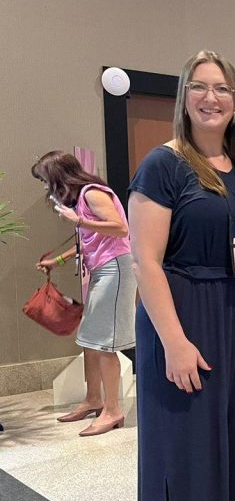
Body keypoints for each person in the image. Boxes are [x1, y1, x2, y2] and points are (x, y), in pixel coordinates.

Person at [128, 50, 235, 501]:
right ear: (184, 97)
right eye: (199, 86)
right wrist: (174, 342)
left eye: (222, 89)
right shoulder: (163, 165)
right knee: (187, 456)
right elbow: (146, 262)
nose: (211, 97)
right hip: (187, 319)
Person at [32, 151, 136, 436]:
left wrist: (78, 221)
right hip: (105, 269)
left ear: (58, 176)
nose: (46, 187)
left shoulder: (92, 193)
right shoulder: (82, 198)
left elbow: (120, 228)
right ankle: (93, 399)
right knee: (90, 340)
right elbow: (90, 241)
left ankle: (113, 410)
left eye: (45, 180)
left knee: (103, 343)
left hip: (115, 269)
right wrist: (57, 261)